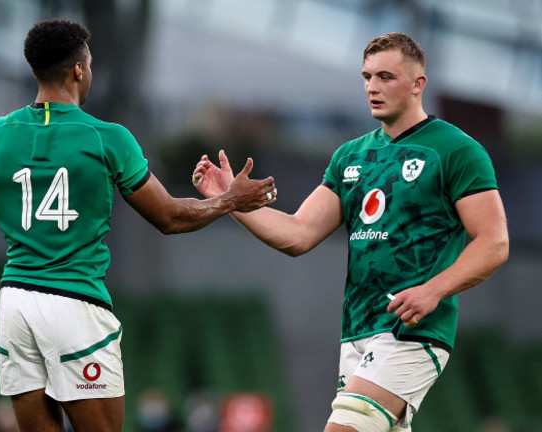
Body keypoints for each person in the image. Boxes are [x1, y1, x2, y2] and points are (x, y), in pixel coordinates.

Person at [0, 19, 276, 432]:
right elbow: (169, 217)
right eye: (91, 64)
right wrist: (229, 200)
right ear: (79, 70)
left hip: (15, 304)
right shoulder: (107, 137)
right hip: (75, 304)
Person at [192, 32, 509, 432]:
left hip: (410, 332)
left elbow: (494, 242)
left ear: (418, 84)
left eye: (386, 77)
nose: (372, 88)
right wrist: (228, 201)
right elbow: (298, 233)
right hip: (357, 331)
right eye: (367, 77)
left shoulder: (456, 150)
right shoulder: (350, 156)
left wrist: (434, 290)